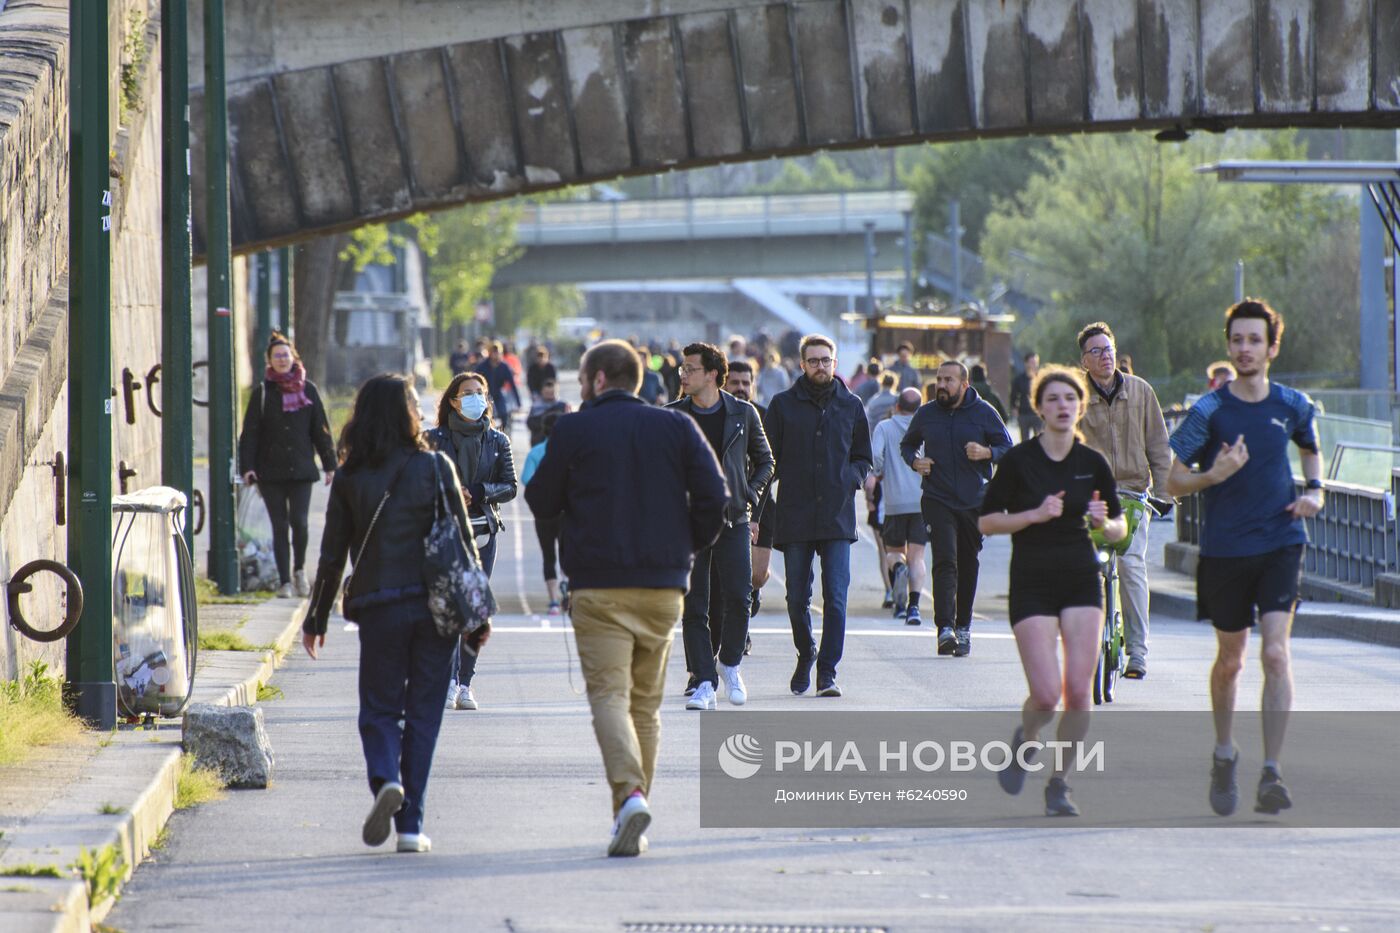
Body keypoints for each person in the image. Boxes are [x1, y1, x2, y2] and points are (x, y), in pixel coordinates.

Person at [525, 339, 726, 857]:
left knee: (609, 697)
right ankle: (630, 811)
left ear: (594, 381)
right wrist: (687, 546)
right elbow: (715, 496)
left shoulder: (573, 428)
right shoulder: (676, 425)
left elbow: (540, 497)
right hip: (663, 585)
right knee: (646, 707)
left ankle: (630, 798)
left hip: (598, 584)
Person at [304, 374, 488, 854]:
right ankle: (411, 827)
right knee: (425, 714)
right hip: (436, 609)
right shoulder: (435, 466)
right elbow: (463, 544)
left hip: (379, 605)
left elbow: (331, 555)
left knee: (380, 709)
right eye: (414, 401)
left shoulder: (349, 477)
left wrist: (316, 619)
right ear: (407, 413)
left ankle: (385, 776)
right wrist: (478, 613)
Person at [1166, 299, 1323, 818]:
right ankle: (1224, 753)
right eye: (1238, 340)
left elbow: (1308, 442)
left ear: (1272, 347)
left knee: (1275, 654)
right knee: (1231, 661)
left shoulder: (1293, 402)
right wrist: (1214, 475)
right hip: (1226, 548)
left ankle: (1272, 771)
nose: (1246, 349)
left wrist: (1316, 491)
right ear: (1228, 345)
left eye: (1255, 340)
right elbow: (1171, 479)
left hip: (1282, 539)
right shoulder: (1209, 411)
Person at [979, 365, 1126, 817]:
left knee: (1079, 694)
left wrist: (1105, 524)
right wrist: (1034, 516)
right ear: (1039, 409)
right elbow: (986, 521)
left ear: (1080, 407)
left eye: (1070, 399)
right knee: (1046, 696)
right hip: (1033, 582)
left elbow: (1120, 529)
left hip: (1082, 578)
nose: (1063, 406)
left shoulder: (1092, 463)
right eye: (1053, 399)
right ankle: (1027, 738)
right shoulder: (1019, 461)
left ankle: (1059, 783)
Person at [765, 334, 873, 698]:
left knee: (837, 597)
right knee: (796, 597)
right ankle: (806, 651)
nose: (820, 366)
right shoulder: (781, 405)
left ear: (835, 363)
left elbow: (863, 457)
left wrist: (851, 480)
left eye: (826, 360)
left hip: (837, 515)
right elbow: (768, 461)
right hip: (795, 514)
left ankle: (827, 671)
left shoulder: (851, 405)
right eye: (813, 361)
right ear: (802, 364)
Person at [667, 343, 773, 710]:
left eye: (690, 368)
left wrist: (749, 494)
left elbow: (765, 461)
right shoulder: (673, 415)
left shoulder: (742, 413)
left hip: (733, 519)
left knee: (739, 598)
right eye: (682, 368)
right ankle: (704, 682)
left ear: (712, 374)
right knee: (694, 605)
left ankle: (729, 665)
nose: (683, 374)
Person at [1076, 322, 1173, 680]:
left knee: (1131, 567)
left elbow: (1160, 447)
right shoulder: (1076, 397)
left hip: (1132, 495)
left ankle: (1137, 653)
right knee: (1084, 569)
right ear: (1084, 360)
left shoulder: (1141, 392)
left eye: (1109, 348)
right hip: (1091, 498)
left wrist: (1163, 494)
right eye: (1097, 351)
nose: (1105, 356)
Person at [900, 360, 1013, 658]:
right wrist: (915, 462)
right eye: (939, 379)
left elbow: (1007, 447)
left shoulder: (984, 413)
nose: (941, 385)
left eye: (948, 380)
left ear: (964, 385)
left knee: (967, 562)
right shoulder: (926, 413)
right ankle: (944, 629)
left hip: (974, 500)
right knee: (945, 560)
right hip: (937, 498)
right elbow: (907, 445)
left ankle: (963, 627)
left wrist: (987, 452)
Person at [426, 372, 517, 712]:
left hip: (482, 531)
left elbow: (509, 485)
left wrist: (478, 492)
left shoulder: (498, 441)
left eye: (480, 393)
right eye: (467, 393)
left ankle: (466, 683)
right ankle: (447, 681)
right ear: (453, 400)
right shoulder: (433, 439)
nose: (475, 399)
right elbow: (421, 482)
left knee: (474, 611)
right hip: (444, 534)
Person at [238, 332, 336, 598]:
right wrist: (247, 467)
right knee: (279, 526)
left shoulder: (309, 389)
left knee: (299, 522)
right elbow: (250, 434)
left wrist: (330, 464)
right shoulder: (262, 393)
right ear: (269, 361)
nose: (282, 359)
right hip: (270, 471)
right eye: (276, 356)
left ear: (294, 358)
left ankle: (300, 570)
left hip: (302, 469)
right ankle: (284, 582)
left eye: (285, 355)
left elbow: (320, 429)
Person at [868, 388, 929, 625]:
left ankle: (898, 569)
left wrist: (879, 473)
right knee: (918, 557)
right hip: (922, 502)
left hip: (894, 502)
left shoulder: (885, 427)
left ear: (896, 407)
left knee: (893, 552)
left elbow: (876, 456)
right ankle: (914, 607)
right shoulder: (925, 427)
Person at [724, 361, 774, 627]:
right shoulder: (716, 415)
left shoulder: (763, 416)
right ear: (723, 383)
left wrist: (755, 513)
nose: (741, 388)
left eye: (746, 383)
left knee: (757, 575)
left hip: (761, 503)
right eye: (735, 383)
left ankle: (754, 592)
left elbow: (770, 467)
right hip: (727, 507)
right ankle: (739, 632)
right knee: (731, 575)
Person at [520, 410, 565, 614]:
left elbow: (526, 479)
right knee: (568, 551)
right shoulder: (568, 451)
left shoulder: (536, 452)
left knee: (548, 555)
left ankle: (554, 600)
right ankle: (569, 591)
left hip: (544, 513)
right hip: (566, 511)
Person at [474, 341, 522, 430]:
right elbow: (474, 380)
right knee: (485, 415)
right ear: (490, 353)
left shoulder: (504, 367)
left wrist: (518, 402)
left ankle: (503, 433)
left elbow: (512, 385)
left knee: (504, 413)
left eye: (498, 352)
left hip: (498, 393)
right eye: (494, 352)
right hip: (485, 394)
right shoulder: (482, 366)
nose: (496, 355)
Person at [1008, 351, 1043, 441]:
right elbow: (1013, 396)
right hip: (1024, 414)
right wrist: (1014, 408)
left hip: (1038, 414)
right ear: (1026, 363)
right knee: (1024, 441)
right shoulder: (1019, 380)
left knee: (1040, 440)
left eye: (1036, 362)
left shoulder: (1041, 379)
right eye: (1032, 362)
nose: (1034, 365)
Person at [526, 378, 570, 447]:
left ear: (557, 392)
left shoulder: (562, 406)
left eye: (552, 393)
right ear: (542, 392)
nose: (550, 396)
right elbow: (530, 424)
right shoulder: (536, 407)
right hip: (539, 442)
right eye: (547, 393)